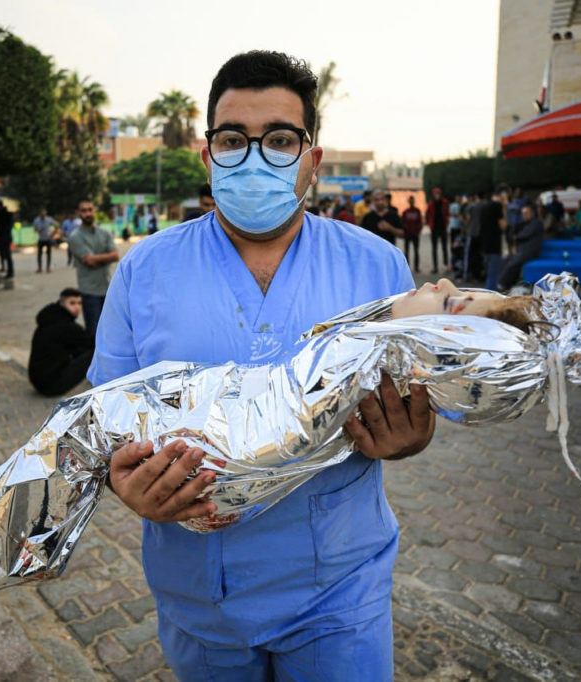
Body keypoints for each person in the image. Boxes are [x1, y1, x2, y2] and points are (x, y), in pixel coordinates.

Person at [88, 50, 434, 680]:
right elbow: (103, 422)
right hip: (198, 591)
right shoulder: (145, 269)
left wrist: (410, 438)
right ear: (207, 156)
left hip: (340, 587)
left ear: (312, 160)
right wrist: (122, 481)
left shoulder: (377, 265)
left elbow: (414, 406)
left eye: (278, 140)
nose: (253, 159)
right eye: (232, 140)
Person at [28, 287, 95, 396]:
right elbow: (93, 341)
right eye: (72, 303)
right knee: (95, 353)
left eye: (79, 303)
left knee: (81, 349)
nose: (77, 307)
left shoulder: (51, 319)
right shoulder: (66, 326)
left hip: (39, 381)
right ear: (61, 303)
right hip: (51, 385)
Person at [68, 198, 118, 336]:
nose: (88, 213)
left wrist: (97, 258)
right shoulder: (75, 237)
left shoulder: (104, 233)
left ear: (95, 210)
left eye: (90, 209)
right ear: (78, 213)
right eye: (84, 210)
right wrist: (107, 257)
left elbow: (115, 255)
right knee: (94, 334)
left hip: (107, 289)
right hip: (89, 292)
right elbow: (90, 262)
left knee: (110, 332)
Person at [497, 205, 545, 290]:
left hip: (530, 250)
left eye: (526, 213)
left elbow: (525, 235)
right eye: (523, 214)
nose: (524, 215)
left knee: (513, 263)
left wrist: (516, 237)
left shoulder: (536, 223)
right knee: (508, 261)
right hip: (524, 249)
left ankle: (503, 284)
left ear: (532, 213)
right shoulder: (526, 223)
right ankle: (507, 283)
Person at [480, 188, 508, 290]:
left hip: (484, 244)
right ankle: (490, 294)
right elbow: (503, 225)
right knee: (493, 274)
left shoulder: (484, 205)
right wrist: (504, 207)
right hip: (494, 244)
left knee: (490, 273)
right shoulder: (497, 206)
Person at [425, 186, 450, 273]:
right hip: (434, 227)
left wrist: (446, 222)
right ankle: (435, 267)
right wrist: (429, 224)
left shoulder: (445, 202)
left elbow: (447, 213)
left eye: (438, 193)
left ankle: (445, 265)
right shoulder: (431, 204)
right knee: (434, 248)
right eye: (435, 194)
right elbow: (428, 214)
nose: (437, 195)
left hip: (442, 227)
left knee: (444, 248)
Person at [463, 191, 484, 281]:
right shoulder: (484, 206)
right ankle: (478, 275)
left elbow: (468, 219)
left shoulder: (471, 206)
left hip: (472, 233)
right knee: (479, 256)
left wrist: (464, 229)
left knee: (468, 255)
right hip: (481, 234)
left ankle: (466, 275)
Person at [401, 195, 424, 272]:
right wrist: (405, 230)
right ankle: (406, 267)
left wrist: (418, 230)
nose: (411, 202)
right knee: (406, 251)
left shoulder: (417, 211)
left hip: (415, 234)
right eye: (410, 200)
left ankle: (416, 267)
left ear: (414, 201)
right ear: (409, 202)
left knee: (416, 250)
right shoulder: (405, 212)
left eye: (412, 200)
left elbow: (420, 222)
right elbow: (402, 222)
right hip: (407, 234)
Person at [0, 199, 14, 278]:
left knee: (7, 254)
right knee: (2, 253)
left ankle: (10, 271)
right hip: (1, 236)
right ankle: (3, 267)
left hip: (6, 236)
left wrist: (1, 230)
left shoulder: (7, 214)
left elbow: (8, 226)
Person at [33, 208, 58, 274]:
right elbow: (34, 229)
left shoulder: (49, 219)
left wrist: (53, 233)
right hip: (41, 239)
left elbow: (56, 225)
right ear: (40, 214)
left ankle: (48, 267)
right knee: (39, 254)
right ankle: (40, 268)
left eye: (44, 214)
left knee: (48, 254)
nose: (43, 216)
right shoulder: (36, 220)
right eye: (42, 215)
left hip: (48, 238)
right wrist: (37, 230)